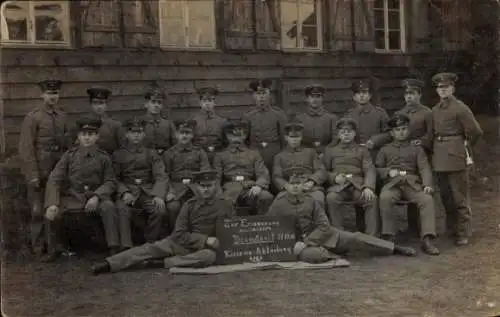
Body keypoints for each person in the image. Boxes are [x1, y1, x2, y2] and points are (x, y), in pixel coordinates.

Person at [90, 170, 233, 275]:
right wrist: (205, 239)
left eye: (210, 185)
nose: (206, 189)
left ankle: (160, 263)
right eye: (203, 186)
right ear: (197, 187)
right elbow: (179, 234)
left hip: (203, 250)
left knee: (209, 257)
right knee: (147, 249)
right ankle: (108, 264)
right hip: (180, 243)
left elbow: (232, 229)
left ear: (216, 185)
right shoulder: (189, 205)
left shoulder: (226, 205)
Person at [267, 166, 416, 263]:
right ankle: (335, 256)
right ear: (286, 185)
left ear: (303, 185)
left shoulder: (310, 200)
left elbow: (324, 225)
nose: (294, 186)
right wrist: (291, 243)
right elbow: (270, 226)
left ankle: (393, 248)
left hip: (323, 235)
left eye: (298, 183)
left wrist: (307, 241)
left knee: (355, 237)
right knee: (311, 255)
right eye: (291, 183)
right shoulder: (278, 203)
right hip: (297, 245)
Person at [43, 116, 120, 262]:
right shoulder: (69, 156)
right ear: (78, 136)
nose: (87, 138)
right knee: (54, 211)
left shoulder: (104, 157)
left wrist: (97, 196)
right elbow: (54, 179)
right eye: (84, 134)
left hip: (96, 197)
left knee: (108, 207)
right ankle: (55, 248)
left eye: (91, 135)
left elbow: (110, 181)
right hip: (75, 197)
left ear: (97, 136)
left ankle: (113, 247)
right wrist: (52, 202)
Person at [18, 79, 71, 255]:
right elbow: (26, 149)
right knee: (38, 209)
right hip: (41, 167)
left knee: (56, 207)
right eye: (49, 93)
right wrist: (32, 174)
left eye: (55, 93)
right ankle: (39, 247)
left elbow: (67, 144)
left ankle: (56, 246)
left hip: (58, 168)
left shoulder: (63, 116)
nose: (52, 97)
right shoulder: (33, 117)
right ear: (42, 95)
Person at [431, 72, 483, 246]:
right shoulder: (435, 109)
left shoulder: (460, 108)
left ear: (452, 88)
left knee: (459, 195)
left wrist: (464, 145)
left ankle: (463, 232)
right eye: (440, 87)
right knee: (445, 196)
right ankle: (452, 229)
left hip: (456, 155)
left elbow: (475, 131)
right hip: (439, 157)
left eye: (446, 87)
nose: (443, 90)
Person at [376, 114, 440, 255]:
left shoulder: (416, 149)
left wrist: (427, 184)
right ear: (392, 133)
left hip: (412, 184)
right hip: (393, 184)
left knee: (427, 200)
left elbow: (424, 168)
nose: (401, 132)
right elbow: (377, 168)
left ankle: (427, 238)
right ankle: (389, 236)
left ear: (408, 130)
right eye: (398, 130)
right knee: (385, 198)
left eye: (404, 129)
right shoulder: (384, 150)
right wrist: (387, 172)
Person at [112, 118, 168, 250]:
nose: (136, 135)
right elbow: (114, 177)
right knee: (123, 210)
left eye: (139, 132)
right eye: (132, 132)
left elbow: (161, 176)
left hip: (147, 191)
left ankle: (150, 243)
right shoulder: (118, 154)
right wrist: (124, 192)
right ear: (126, 134)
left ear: (143, 134)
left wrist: (158, 194)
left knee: (159, 210)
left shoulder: (151, 153)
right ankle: (126, 246)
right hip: (128, 191)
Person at [323, 118, 378, 235]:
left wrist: (368, 187)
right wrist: (334, 178)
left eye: (349, 132)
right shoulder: (330, 151)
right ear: (338, 134)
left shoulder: (362, 150)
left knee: (371, 199)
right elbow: (323, 171)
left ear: (354, 134)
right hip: (339, 187)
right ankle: (338, 235)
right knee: (331, 198)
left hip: (358, 186)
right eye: (343, 132)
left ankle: (371, 237)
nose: (346, 135)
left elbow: (369, 169)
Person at [213, 118, 274, 215]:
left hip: (251, 186)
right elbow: (216, 178)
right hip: (230, 188)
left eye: (239, 135)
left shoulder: (253, 153)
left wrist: (258, 186)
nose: (236, 139)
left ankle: (263, 227)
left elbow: (262, 173)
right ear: (226, 136)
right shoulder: (220, 155)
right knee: (225, 203)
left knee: (266, 197)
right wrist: (218, 194)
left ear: (245, 136)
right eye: (232, 135)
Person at [163, 119, 210, 234]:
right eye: (181, 133)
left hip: (195, 187)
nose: (184, 136)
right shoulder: (169, 153)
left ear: (192, 135)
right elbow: (164, 175)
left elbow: (205, 172)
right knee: (173, 207)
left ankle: (199, 235)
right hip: (176, 188)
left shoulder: (199, 152)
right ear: (176, 135)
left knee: (202, 205)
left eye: (187, 133)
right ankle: (176, 235)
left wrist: (203, 189)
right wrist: (169, 191)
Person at [273, 116, 326, 208]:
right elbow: (277, 176)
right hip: (289, 188)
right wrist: (286, 186)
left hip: (310, 187)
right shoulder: (279, 156)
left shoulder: (311, 152)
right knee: (278, 204)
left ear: (301, 137)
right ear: (286, 137)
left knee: (318, 200)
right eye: (292, 137)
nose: (295, 140)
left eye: (297, 137)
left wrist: (311, 182)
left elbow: (321, 170)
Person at [242, 79, 287, 171]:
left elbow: (284, 138)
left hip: (274, 154)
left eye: (264, 93)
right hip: (255, 154)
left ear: (269, 94)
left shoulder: (278, 114)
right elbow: (245, 139)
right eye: (258, 94)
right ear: (254, 96)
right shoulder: (248, 116)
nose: (261, 97)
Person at [346, 79, 392, 158]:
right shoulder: (349, 115)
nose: (361, 95)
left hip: (375, 154)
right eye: (358, 93)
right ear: (354, 97)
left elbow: (390, 133)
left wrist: (375, 140)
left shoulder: (380, 113)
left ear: (370, 95)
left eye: (364, 92)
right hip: (355, 156)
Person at [296, 84, 339, 154]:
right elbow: (297, 140)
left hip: (327, 154)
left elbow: (336, 138)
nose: (315, 100)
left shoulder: (331, 118)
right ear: (307, 99)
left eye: (318, 96)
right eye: (312, 96)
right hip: (305, 154)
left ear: (322, 98)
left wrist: (326, 151)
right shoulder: (299, 118)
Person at [395, 78, 433, 152]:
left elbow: (431, 134)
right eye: (406, 94)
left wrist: (422, 141)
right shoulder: (399, 114)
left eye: (412, 93)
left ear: (419, 95)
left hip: (421, 151)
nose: (408, 97)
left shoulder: (427, 113)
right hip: (403, 152)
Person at [86, 87, 126, 154]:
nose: (99, 107)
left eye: (101, 103)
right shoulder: (83, 124)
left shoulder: (115, 125)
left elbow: (122, 149)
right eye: (95, 103)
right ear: (91, 105)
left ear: (106, 105)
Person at [140, 81, 176, 155]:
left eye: (159, 102)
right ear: (146, 104)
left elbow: (175, 146)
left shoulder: (168, 124)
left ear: (162, 105)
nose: (156, 105)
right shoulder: (140, 123)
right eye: (153, 102)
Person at [192, 87, 226, 163]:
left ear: (214, 103)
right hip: (198, 158)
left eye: (210, 100)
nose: (207, 103)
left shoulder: (222, 121)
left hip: (218, 157)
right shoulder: (194, 121)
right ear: (200, 103)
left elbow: (226, 143)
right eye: (204, 100)